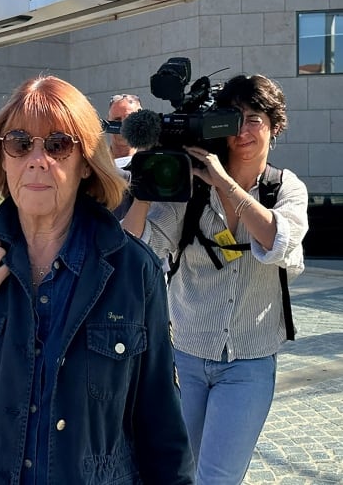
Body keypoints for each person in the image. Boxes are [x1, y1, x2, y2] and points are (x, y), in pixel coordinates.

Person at [0, 75, 195, 483]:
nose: (38, 159)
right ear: (2, 158)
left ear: (85, 162)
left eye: (58, 145)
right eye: (19, 143)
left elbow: (163, 428)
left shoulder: (132, 270)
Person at [121, 74, 309, 484]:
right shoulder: (190, 187)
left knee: (217, 478)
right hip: (185, 355)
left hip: (250, 361)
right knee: (174, 471)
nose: (242, 130)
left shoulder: (284, 188)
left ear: (274, 126)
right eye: (233, 118)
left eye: (254, 118)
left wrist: (224, 183)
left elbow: (279, 241)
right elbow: (138, 247)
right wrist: (146, 187)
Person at [107, 93, 142, 168]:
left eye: (128, 120)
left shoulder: (150, 160)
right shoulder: (97, 163)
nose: (123, 126)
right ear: (108, 121)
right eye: (117, 120)